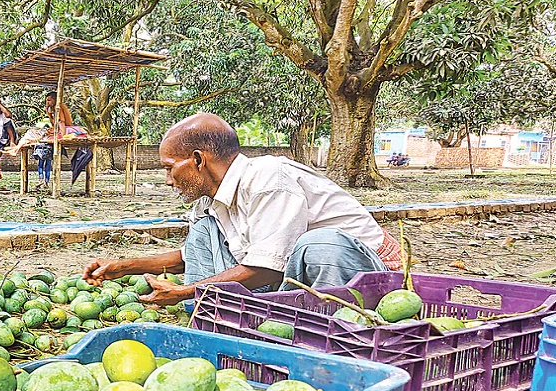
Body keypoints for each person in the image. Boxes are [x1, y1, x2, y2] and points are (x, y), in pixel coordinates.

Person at [83, 113, 403, 306]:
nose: (168, 180)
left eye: (170, 168)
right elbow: (188, 256)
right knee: (204, 232)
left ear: (198, 159)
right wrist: (125, 267)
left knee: (319, 244)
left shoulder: (269, 179)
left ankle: (327, 332)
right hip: (297, 276)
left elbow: (266, 269)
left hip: (363, 276)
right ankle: (209, 313)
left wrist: (185, 291)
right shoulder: (211, 195)